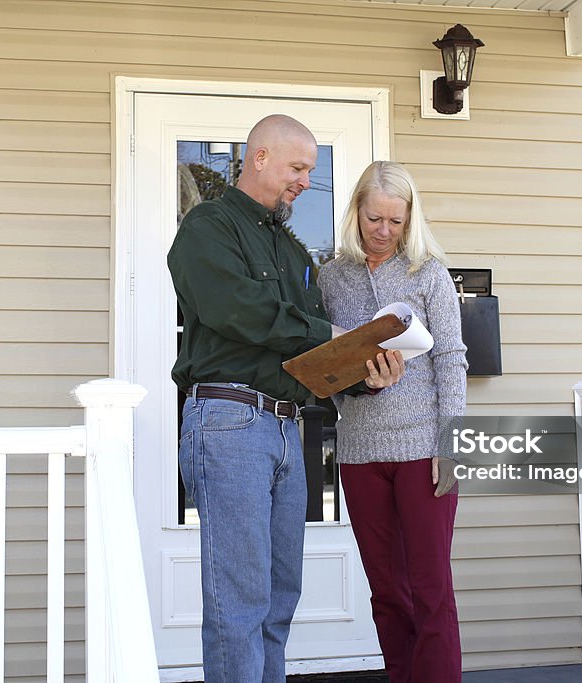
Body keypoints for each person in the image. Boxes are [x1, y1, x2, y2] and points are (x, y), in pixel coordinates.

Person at [167, 115, 405, 683]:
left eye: (310, 171)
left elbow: (311, 347)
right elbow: (238, 310)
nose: (304, 181)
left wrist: (362, 373)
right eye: (298, 168)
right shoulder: (208, 227)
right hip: (228, 420)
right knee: (240, 594)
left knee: (279, 593)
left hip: (285, 426)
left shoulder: (294, 250)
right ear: (260, 157)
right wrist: (327, 338)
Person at [317, 160, 468, 683]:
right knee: (386, 590)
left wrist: (451, 443)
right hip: (359, 452)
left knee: (430, 590)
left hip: (424, 450)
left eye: (395, 221)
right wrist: (355, 382)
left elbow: (451, 357)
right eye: (374, 218)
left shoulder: (429, 274)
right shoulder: (331, 276)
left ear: (410, 220)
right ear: (356, 211)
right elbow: (325, 362)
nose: (383, 231)